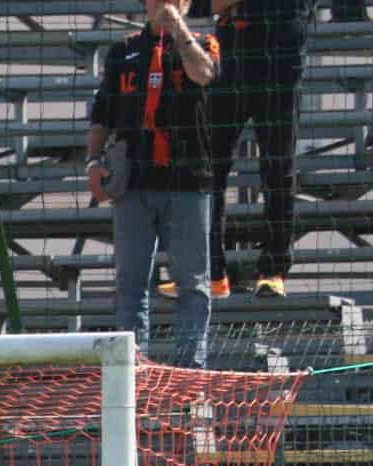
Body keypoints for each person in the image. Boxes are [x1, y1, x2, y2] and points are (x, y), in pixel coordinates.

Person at [87, 0, 220, 368]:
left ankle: (190, 376)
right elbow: (102, 113)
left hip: (188, 182)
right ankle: (133, 374)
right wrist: (93, 161)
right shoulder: (123, 50)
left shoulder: (203, 43)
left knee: (192, 285)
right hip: (134, 182)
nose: (165, 3)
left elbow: (203, 74)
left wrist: (178, 30)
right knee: (131, 287)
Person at [191, 0, 309, 298]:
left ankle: (273, 271)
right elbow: (200, 5)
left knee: (277, 168)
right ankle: (211, 273)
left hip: (280, 56)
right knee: (209, 168)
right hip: (229, 53)